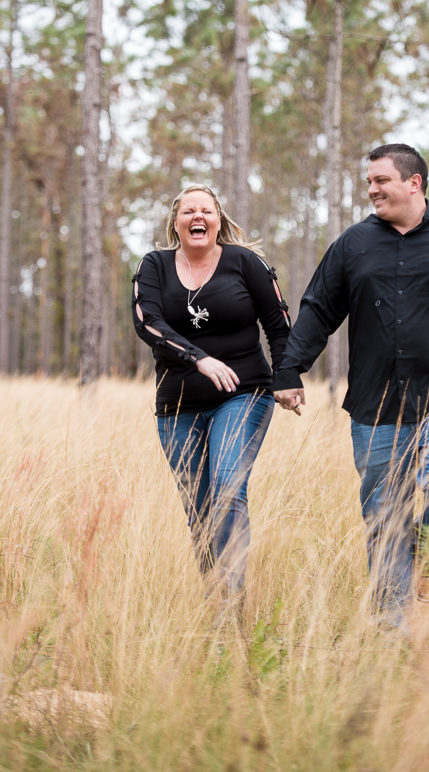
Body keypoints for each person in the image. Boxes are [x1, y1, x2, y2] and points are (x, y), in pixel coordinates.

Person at [273, 144, 429, 631]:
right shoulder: (352, 244)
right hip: (375, 405)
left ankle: (426, 560)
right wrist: (288, 369)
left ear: (414, 183)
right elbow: (319, 309)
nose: (372, 189)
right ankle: (391, 632)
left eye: (381, 180)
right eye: (369, 181)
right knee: (385, 518)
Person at [132, 183, 290, 607]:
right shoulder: (154, 266)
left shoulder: (246, 262)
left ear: (218, 220)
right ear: (176, 223)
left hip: (244, 394)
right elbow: (147, 323)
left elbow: (278, 324)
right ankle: (216, 598)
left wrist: (287, 376)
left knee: (226, 489)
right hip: (177, 406)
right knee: (199, 511)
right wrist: (197, 358)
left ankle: (232, 604)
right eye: (188, 212)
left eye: (206, 211)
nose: (197, 217)